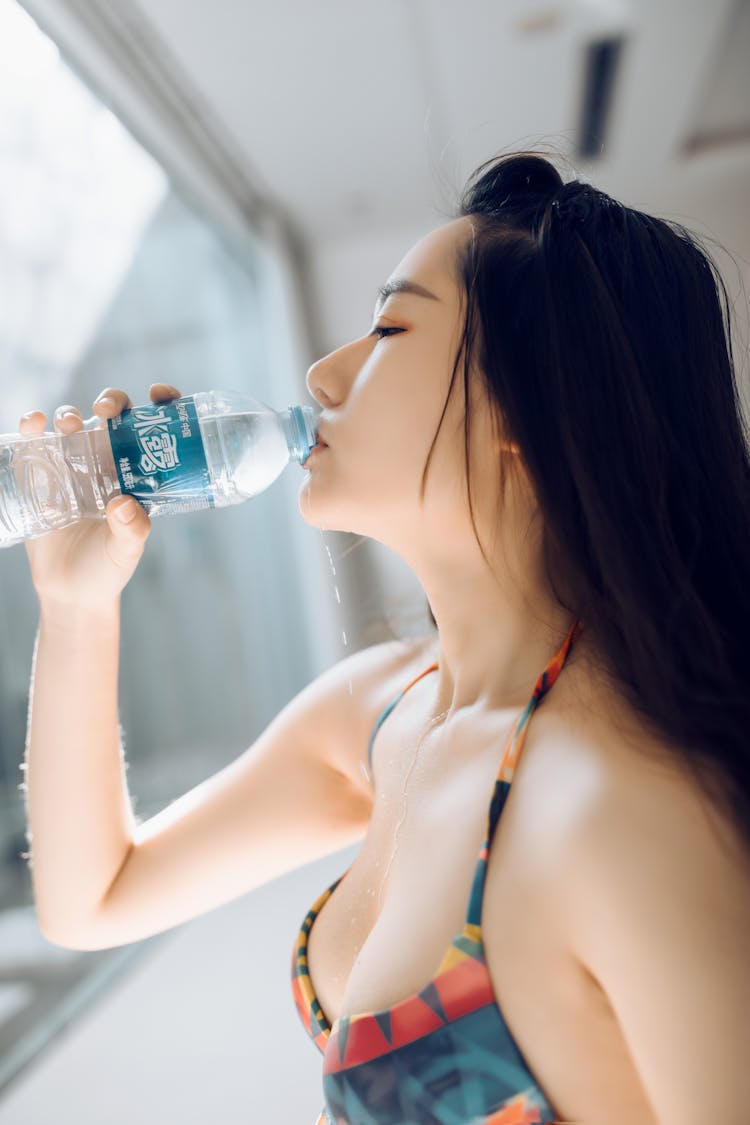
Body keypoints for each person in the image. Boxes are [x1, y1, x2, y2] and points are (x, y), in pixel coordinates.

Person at [21, 150, 750, 1125]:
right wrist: (78, 607)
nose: (324, 374)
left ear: (523, 413)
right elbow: (92, 899)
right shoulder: (383, 710)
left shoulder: (620, 807)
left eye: (391, 327)